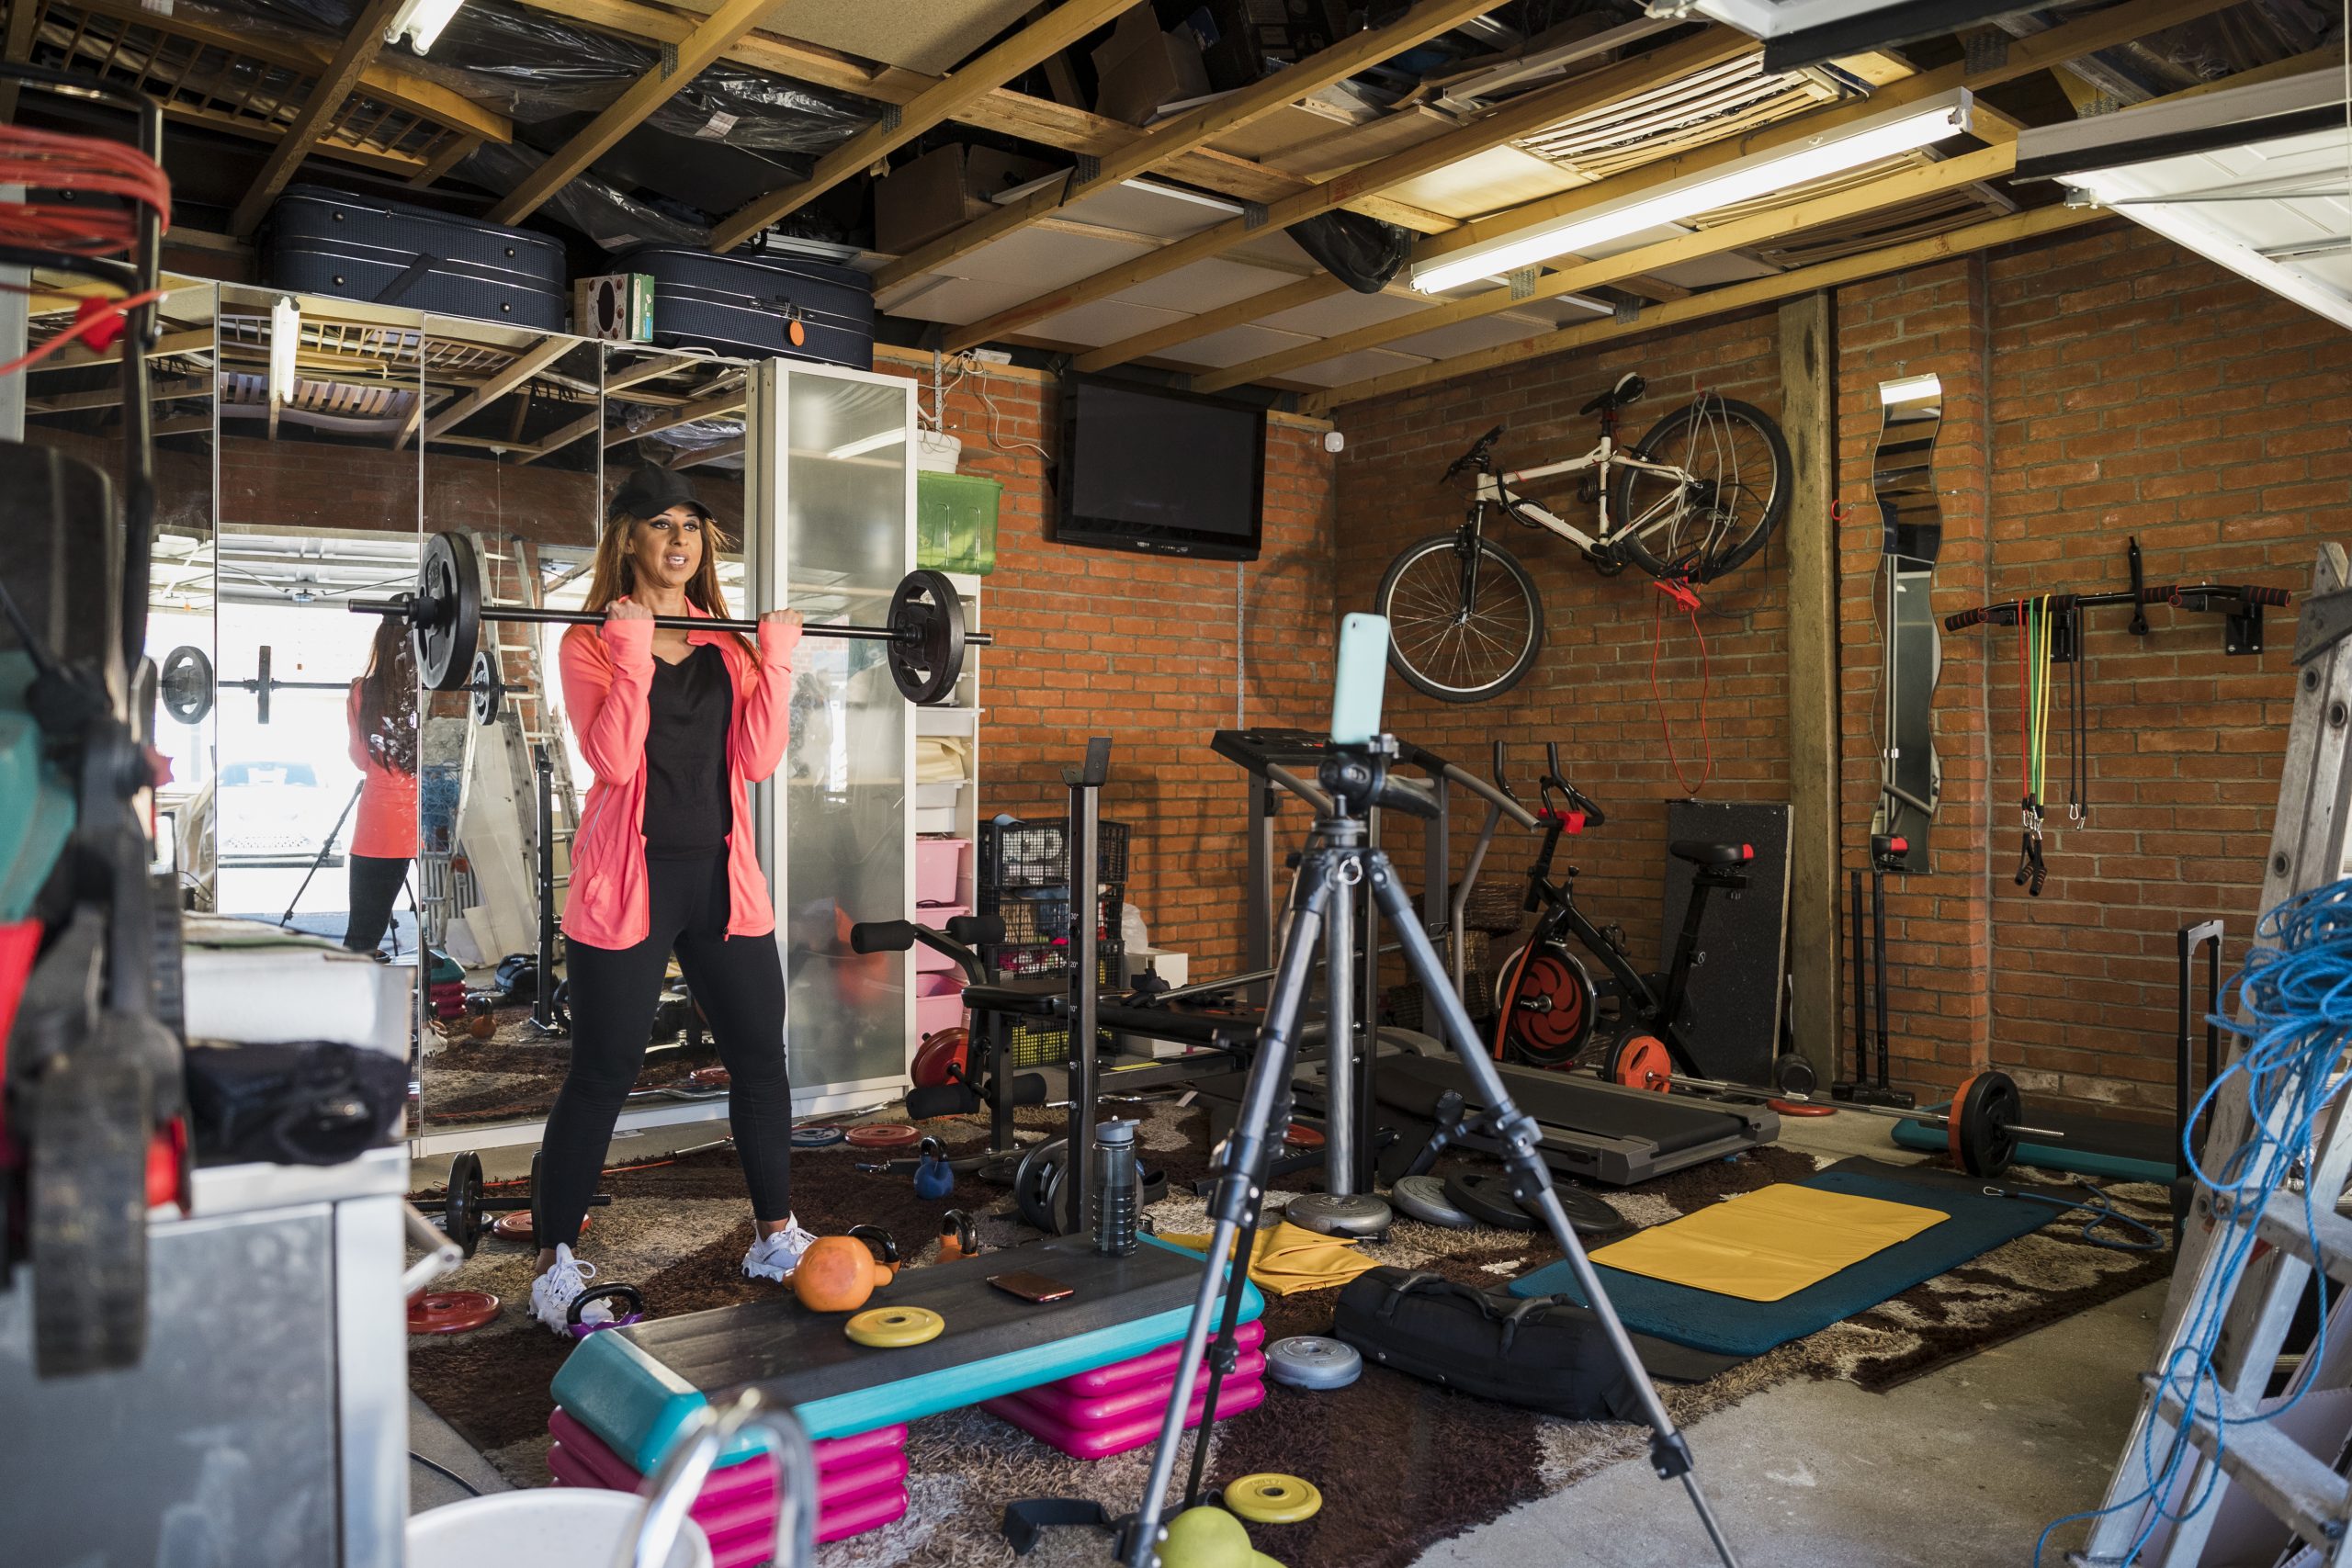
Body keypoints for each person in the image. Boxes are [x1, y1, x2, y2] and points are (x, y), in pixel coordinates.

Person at [529, 465, 807, 1335]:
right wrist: (631, 653)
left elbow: (759, 759)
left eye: (692, 524)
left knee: (761, 1058)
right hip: (629, 882)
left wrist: (780, 660)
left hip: (723, 880)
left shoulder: (729, 643)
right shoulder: (587, 643)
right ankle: (554, 1259)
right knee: (604, 1070)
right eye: (661, 524)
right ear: (630, 541)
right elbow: (613, 761)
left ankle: (775, 1236)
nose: (681, 539)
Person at [343, 618, 418, 956]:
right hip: (427, 812)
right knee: (444, 919)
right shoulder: (430, 689)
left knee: (362, 934)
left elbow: (360, 757)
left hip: (381, 818)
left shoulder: (361, 691)